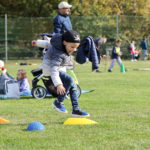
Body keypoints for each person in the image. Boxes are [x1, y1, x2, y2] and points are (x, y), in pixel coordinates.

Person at [42, 30, 89, 117]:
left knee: (73, 85)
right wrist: (59, 84)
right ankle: (58, 102)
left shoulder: (60, 43)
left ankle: (76, 109)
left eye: (76, 47)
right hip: (50, 70)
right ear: (64, 42)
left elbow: (49, 43)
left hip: (59, 69)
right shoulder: (59, 54)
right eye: (72, 47)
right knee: (70, 80)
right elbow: (53, 69)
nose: (74, 50)